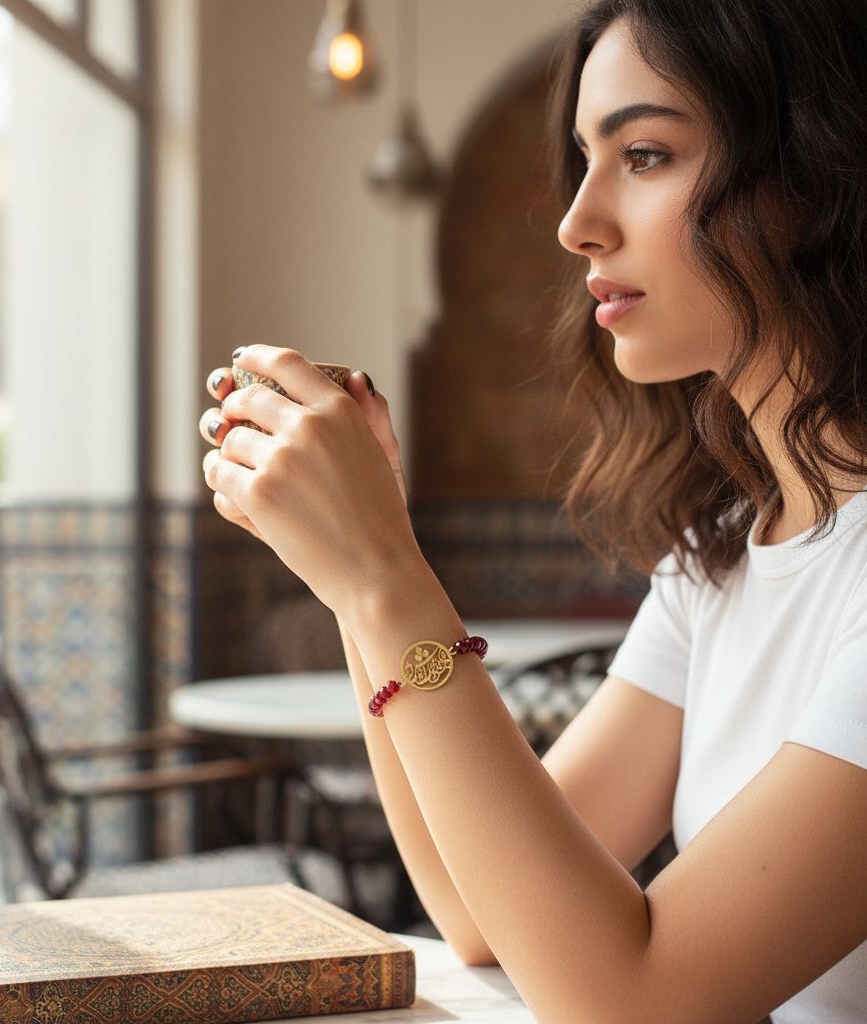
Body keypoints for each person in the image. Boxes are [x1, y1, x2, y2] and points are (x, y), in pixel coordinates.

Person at [198, 1, 867, 1020]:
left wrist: (385, 577)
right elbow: (480, 910)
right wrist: (349, 569)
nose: (575, 221)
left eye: (644, 154)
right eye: (585, 158)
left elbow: (634, 1000)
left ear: (819, 174)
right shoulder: (722, 553)